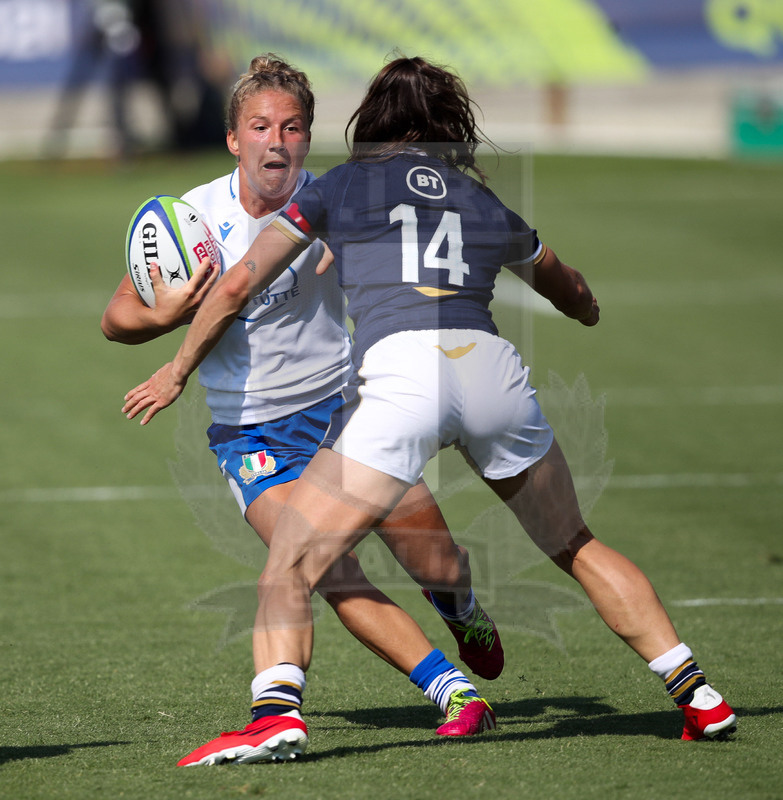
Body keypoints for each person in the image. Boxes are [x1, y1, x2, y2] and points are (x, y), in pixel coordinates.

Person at [123, 55, 737, 764]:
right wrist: (586, 308)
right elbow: (565, 286)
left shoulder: (342, 186)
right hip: (489, 373)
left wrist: (175, 370)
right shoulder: (478, 201)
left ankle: (275, 714)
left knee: (293, 558)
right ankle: (697, 694)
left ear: (370, 119)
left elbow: (232, 289)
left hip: (400, 381)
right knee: (574, 543)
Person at [104, 55, 505, 764]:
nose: (275, 141)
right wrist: (165, 313)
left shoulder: (337, 202)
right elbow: (115, 317)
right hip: (252, 432)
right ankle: (454, 692)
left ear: (307, 137)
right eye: (259, 126)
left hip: (345, 411)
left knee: (435, 558)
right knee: (320, 561)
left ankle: (460, 609)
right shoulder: (193, 219)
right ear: (234, 139)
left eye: (291, 127)